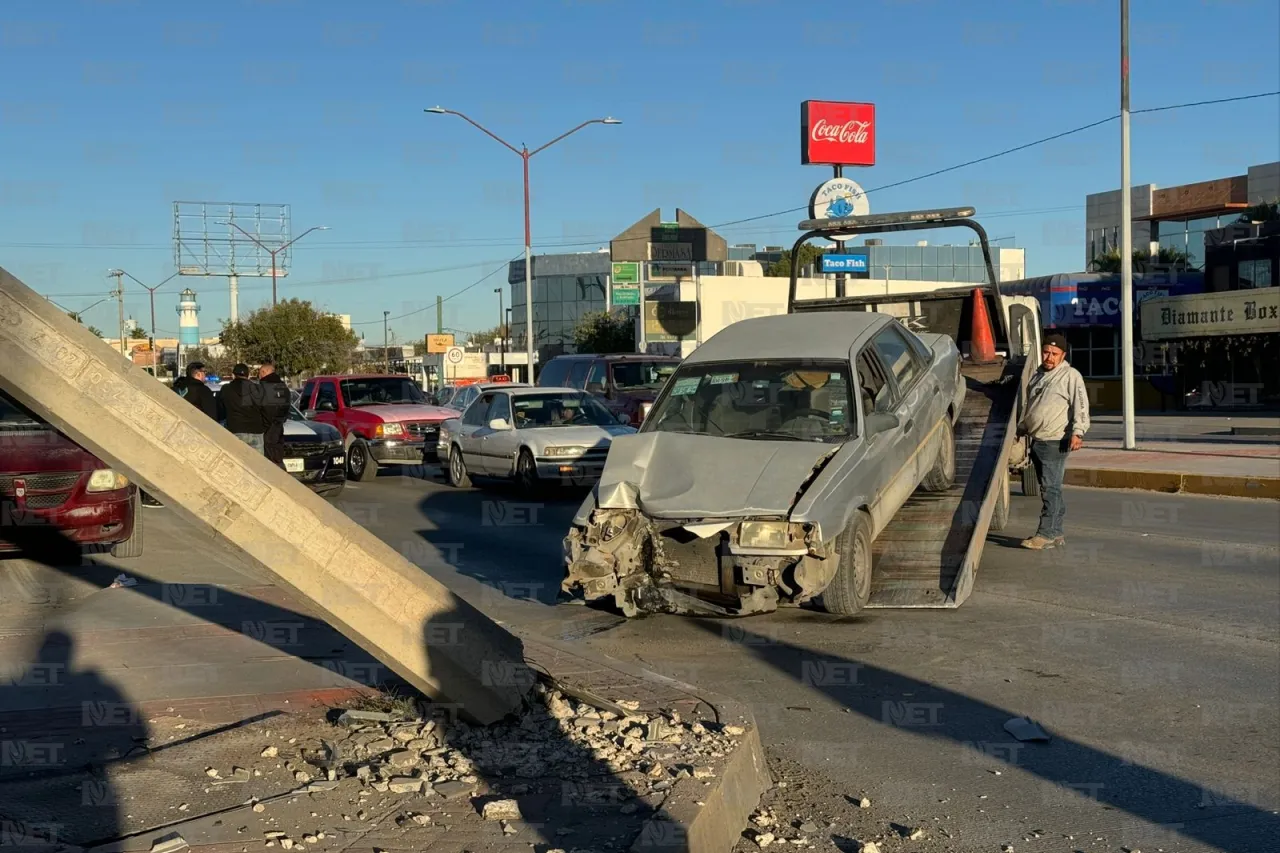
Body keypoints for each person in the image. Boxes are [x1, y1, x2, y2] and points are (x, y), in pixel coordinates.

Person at [1016, 332, 1090, 550]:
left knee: (1050, 489)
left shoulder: (1070, 375)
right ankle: (1056, 533)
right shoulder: (1039, 375)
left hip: (1055, 441)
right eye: (1046, 352)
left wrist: (1078, 432)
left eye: (1054, 354)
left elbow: (1081, 405)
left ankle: (1045, 533)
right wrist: (1022, 427)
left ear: (1063, 355)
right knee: (1050, 488)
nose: (1049, 357)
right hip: (1037, 440)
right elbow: (1032, 406)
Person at [220, 363, 267, 453]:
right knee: (258, 464)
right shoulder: (257, 389)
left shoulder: (226, 389)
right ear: (248, 375)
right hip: (256, 430)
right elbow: (265, 409)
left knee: (237, 463)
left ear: (233, 375)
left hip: (235, 429)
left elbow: (221, 408)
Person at [257, 359, 291, 465]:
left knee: (269, 457)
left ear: (264, 372)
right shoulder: (283, 387)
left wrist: (265, 425)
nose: (259, 375)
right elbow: (287, 405)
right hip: (279, 425)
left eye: (259, 372)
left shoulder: (264, 387)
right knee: (277, 453)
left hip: (268, 428)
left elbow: (265, 407)